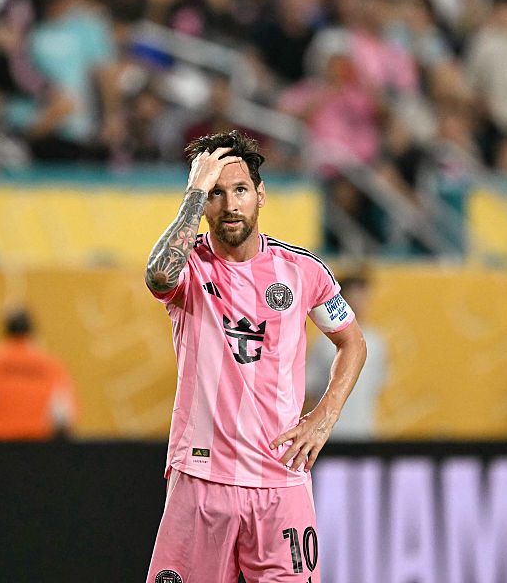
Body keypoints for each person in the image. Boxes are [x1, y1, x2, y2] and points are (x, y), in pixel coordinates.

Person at [144, 130, 368, 583]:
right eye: (215, 193)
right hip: (202, 477)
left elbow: (353, 344)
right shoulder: (189, 267)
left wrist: (323, 418)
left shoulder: (303, 271)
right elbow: (158, 276)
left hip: (281, 480)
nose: (230, 205)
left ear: (260, 195)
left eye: (241, 190)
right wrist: (193, 192)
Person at [0, 308, 78, 441]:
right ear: (32, 331)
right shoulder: (52, 367)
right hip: (37, 445)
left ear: (5, 329)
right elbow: (63, 418)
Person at [305, 272, 388, 440]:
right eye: (353, 296)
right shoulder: (323, 342)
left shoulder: (376, 342)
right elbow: (310, 388)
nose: (358, 303)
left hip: (363, 430)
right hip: (327, 433)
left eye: (362, 297)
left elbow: (377, 386)